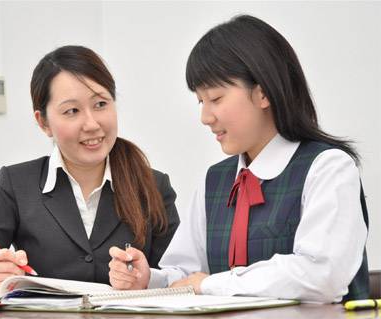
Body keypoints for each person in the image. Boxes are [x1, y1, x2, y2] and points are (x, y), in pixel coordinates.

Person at [108, 15, 369, 303]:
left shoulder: (327, 168)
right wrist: (148, 279)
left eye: (216, 99)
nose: (206, 117)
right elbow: (187, 273)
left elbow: (322, 276)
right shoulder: (215, 180)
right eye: (200, 102)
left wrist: (211, 285)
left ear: (263, 93)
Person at [0, 45, 180, 297]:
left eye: (101, 104)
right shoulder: (18, 185)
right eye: (72, 111)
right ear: (43, 122)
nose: (92, 124)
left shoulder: (154, 186)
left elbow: (182, 275)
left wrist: (148, 278)